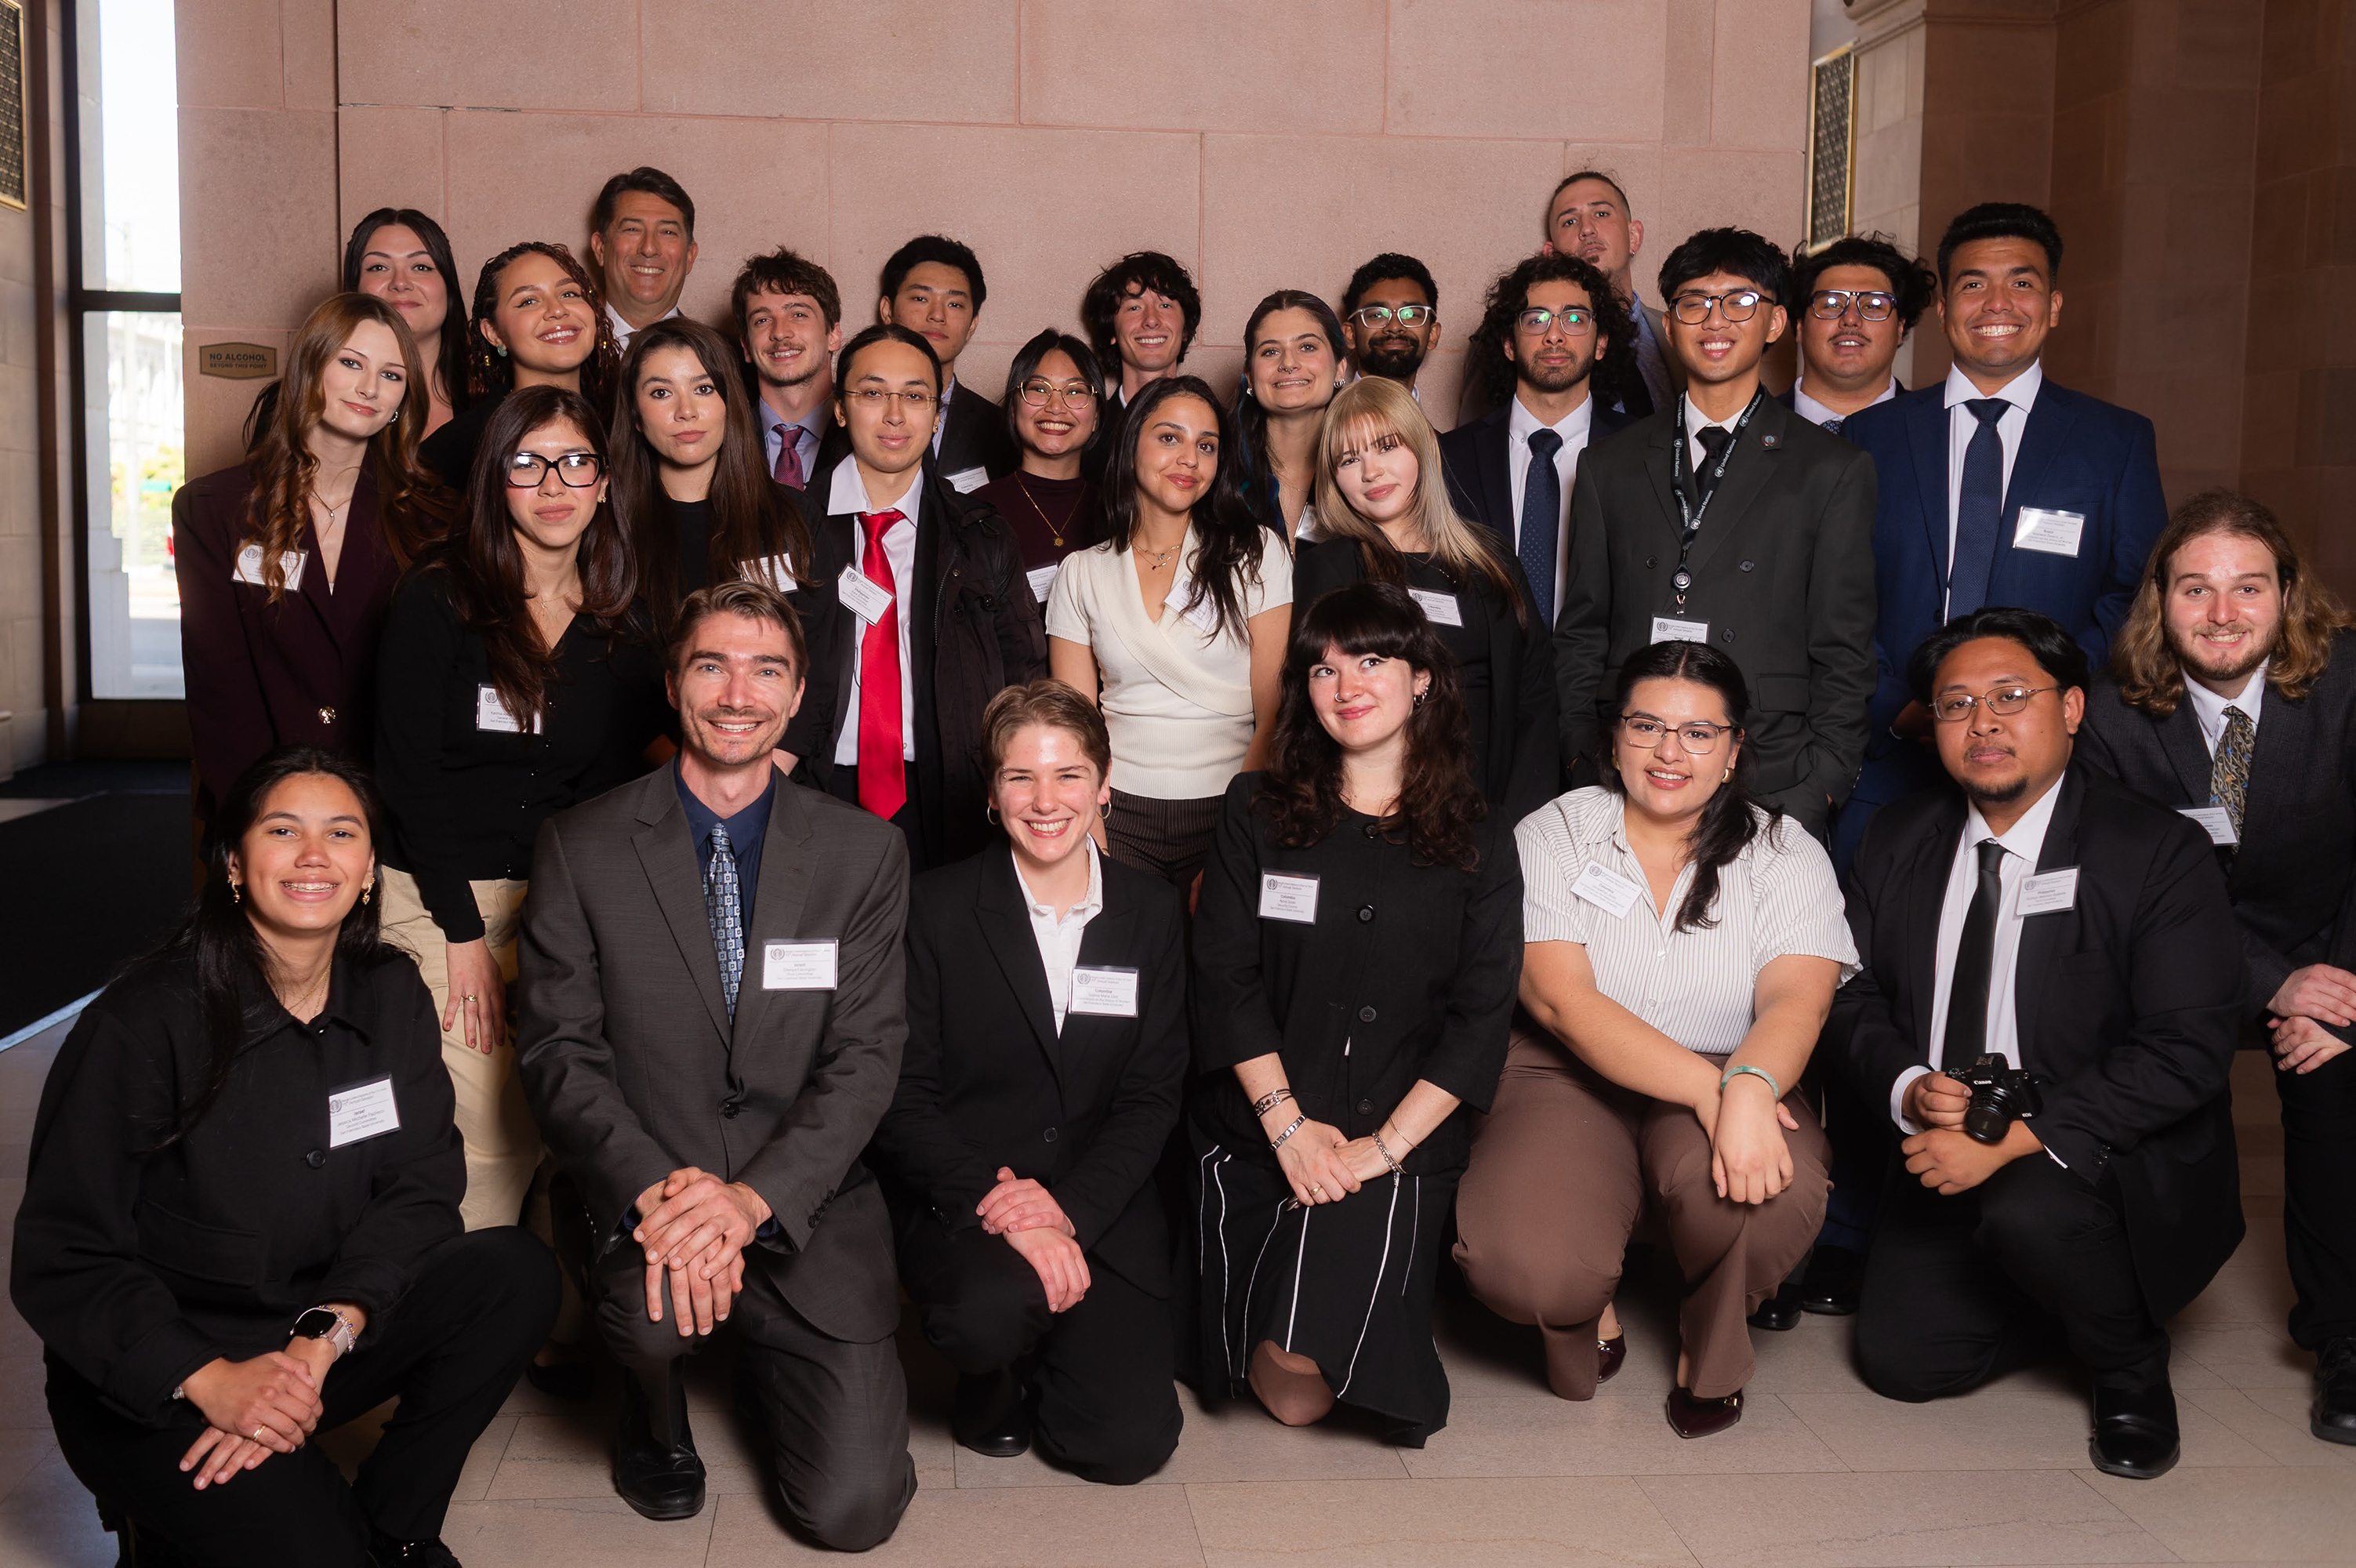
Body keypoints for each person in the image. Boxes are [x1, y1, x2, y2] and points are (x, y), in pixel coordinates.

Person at [11, 746, 557, 1566]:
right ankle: (162, 1513)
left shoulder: (389, 991)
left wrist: (322, 1335)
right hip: (164, 1370)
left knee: (514, 1272)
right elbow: (63, 1252)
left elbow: (421, 1186)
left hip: (313, 1335)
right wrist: (210, 1380)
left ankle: (396, 1526)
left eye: (341, 832)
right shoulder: (143, 1019)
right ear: (233, 863)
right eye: (282, 830)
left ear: (369, 869)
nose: (314, 855)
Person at [517, 580, 915, 1544]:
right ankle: (649, 1405)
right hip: (659, 1188)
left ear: (797, 693)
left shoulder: (864, 853)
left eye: (764, 669)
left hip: (803, 1200)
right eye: (711, 665)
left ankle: (772, 1362)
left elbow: (866, 1055)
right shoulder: (581, 845)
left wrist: (750, 1202)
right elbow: (558, 1050)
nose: (737, 692)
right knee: (651, 1323)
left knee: (852, 1511)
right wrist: (659, 1191)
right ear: (671, 684)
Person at [1838, 606, 2242, 1479]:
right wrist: (1909, 1085)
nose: (1981, 722)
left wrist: (2021, 1139)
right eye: (1954, 704)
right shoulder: (1895, 837)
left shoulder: (2154, 849)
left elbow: (2186, 1047)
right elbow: (1848, 992)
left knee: (2030, 1209)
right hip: (1944, 1137)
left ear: (2068, 708)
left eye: (2008, 696)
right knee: (1904, 1364)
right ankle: (2062, 1299)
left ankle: (2126, 1362)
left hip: (2093, 1147)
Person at [1455, 641, 1853, 1436]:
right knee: (1524, 1261)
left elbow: (1793, 1003)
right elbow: (1562, 1001)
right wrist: (1718, 1096)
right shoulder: (1555, 830)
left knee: (1767, 1196)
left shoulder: (1785, 851)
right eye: (1646, 726)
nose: (1670, 751)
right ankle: (1584, 1311)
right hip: (1562, 1071)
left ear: (1734, 748)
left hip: (1730, 1059)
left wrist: (1746, 1084)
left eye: (1699, 733)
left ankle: (1710, 1348)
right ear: (1613, 738)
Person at [1189, 582, 1520, 1446]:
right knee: (1291, 1387)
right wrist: (1286, 1122)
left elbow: (1481, 1016)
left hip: (1398, 1135)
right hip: (1263, 1122)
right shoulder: (1253, 811)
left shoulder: (1481, 837)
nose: (1346, 684)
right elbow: (1222, 977)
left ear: (1422, 680)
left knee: (1308, 1381)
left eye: (1372, 659)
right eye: (1323, 668)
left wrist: (1384, 1147)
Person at [2075, 492, 2356, 1445]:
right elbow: (2121, 888)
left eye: (2248, 587)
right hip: (2170, 954)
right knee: (2131, 1076)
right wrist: (2263, 977)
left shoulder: (2349, 683)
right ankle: (2119, 1322)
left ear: (2287, 595)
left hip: (2332, 946)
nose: (2223, 613)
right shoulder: (2109, 713)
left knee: (2341, 1074)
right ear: (2160, 597)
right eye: (2195, 588)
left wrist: (2331, 991)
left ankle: (2346, 1340)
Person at [869, 681, 1188, 1482]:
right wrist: (1006, 1206)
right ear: (990, 791)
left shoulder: (1151, 912)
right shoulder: (933, 909)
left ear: (1105, 783)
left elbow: (1153, 1091)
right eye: (1020, 777)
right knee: (984, 1315)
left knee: (1123, 1447)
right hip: (974, 1193)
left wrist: (1069, 1209)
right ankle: (992, 1373)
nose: (1045, 801)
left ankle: (1059, 1348)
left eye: (1069, 774)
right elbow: (902, 1092)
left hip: (1100, 1196)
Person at [373, 387, 667, 1233]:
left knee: (562, 1118)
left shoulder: (621, 618)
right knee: (484, 1131)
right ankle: (475, 1326)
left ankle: (547, 1308)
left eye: (575, 461)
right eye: (526, 462)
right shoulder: (438, 598)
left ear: (605, 482)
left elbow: (627, 765)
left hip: (559, 907)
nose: (553, 483)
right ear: (494, 481)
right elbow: (406, 776)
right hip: (440, 896)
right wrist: (462, 938)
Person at [1836, 202, 2169, 870]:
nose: (1996, 302)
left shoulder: (2115, 442)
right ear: (1942, 308)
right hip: (1893, 760)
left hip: (2048, 773)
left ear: (2052, 306)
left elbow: (2135, 595)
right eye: (1971, 283)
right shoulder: (1870, 437)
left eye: (2021, 283)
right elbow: (1836, 592)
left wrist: (2038, 699)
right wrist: (1896, 703)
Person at [1555, 227, 1877, 836]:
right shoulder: (1607, 465)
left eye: (1740, 301)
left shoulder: (1831, 469)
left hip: (1771, 771)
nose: (1715, 320)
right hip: (1625, 766)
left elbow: (1844, 652)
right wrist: (1579, 756)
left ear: (1777, 322)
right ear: (1670, 325)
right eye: (1693, 302)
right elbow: (1581, 632)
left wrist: (1822, 788)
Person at [178, 292, 448, 826]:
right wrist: (266, 819)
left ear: (403, 399)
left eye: (392, 375)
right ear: (310, 368)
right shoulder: (213, 508)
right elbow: (218, 685)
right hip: (259, 803)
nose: (370, 387)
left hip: (391, 813)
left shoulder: (435, 518)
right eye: (351, 363)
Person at [804, 324, 1047, 873]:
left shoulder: (980, 534)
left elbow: (1024, 676)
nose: (895, 415)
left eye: (914, 396)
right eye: (872, 393)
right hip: (815, 788)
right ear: (840, 409)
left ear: (936, 416)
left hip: (948, 792)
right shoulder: (787, 528)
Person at [1047, 376, 1291, 890]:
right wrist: (1087, 815)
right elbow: (1075, 718)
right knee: (1122, 967)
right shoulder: (1081, 571)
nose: (1189, 458)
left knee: (1219, 966)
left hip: (1228, 804)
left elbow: (1274, 706)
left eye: (1206, 446)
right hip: (1117, 811)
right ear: (1130, 442)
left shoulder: (1256, 551)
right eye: (1168, 438)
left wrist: (1238, 825)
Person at [1298, 377, 1558, 821]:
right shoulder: (1330, 567)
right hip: (1379, 812)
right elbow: (1313, 709)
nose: (1371, 472)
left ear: (1421, 447)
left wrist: (1522, 820)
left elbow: (1536, 694)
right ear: (1334, 478)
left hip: (1492, 802)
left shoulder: (1491, 557)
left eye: (1386, 446)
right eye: (1349, 459)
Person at [609, 315, 844, 779]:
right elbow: (609, 687)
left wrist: (762, 780)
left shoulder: (793, 518)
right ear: (635, 415)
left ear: (729, 402)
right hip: (649, 779)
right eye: (661, 393)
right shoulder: (608, 529)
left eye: (702, 389)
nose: (686, 411)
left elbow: (821, 659)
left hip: (779, 774)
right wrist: (692, 781)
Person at [1439, 252, 1637, 627]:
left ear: (1601, 343)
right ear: (1509, 344)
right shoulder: (1451, 457)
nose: (1554, 335)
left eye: (1576, 318)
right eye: (1536, 319)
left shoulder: (1646, 452)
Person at [241, 209, 470, 447]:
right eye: (379, 267)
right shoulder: (300, 399)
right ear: (354, 289)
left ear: (449, 289)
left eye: (421, 267)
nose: (400, 283)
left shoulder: (489, 400)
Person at [421, 241, 621, 492]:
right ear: (493, 333)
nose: (557, 310)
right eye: (528, 301)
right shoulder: (453, 450)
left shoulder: (628, 426)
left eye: (569, 294)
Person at [975, 328, 1108, 599]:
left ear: (1096, 418)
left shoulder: (1119, 511)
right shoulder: (974, 513)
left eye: (1074, 392)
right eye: (1038, 389)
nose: (1056, 407)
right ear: (1013, 409)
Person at [877, 234, 1017, 491]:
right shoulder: (850, 412)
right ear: (887, 310)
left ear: (973, 324)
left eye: (954, 304)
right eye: (921, 298)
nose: (938, 315)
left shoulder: (1001, 429)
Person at [1541, 170, 1676, 417]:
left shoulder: (1679, 332)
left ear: (1633, 237)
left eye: (1601, 214)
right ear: (1551, 255)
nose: (1587, 229)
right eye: (1569, 221)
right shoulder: (1524, 339)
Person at [1783, 232, 1936, 433]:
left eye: (1873, 306)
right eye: (1831, 304)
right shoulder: (1744, 430)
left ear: (1900, 328)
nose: (1851, 319)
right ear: (1800, 326)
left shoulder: (1939, 430)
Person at [1234, 289, 1348, 542]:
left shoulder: (1370, 469)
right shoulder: (1216, 470)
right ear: (1250, 376)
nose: (1288, 363)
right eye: (1271, 351)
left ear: (1340, 368)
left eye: (1307, 347)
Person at [732, 246, 849, 492]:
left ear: (833, 335)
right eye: (762, 320)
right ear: (746, 347)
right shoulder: (720, 437)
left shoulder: (866, 434)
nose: (779, 332)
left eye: (798, 314)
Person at [1078, 251, 1201, 479]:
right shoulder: (1084, 436)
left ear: (1185, 330)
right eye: (1134, 308)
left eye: (1165, 305)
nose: (1151, 320)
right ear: (1112, 331)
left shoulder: (1221, 430)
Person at [588, 165, 697, 348]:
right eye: (632, 229)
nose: (649, 248)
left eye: (668, 232)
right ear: (600, 249)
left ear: (689, 256)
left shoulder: (728, 359)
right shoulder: (557, 354)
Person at [1341, 252, 1441, 397]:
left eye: (1410, 314)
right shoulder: (1331, 418)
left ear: (1433, 335)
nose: (1394, 327)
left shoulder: (1425, 421)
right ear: (1350, 334)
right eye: (1377, 315)